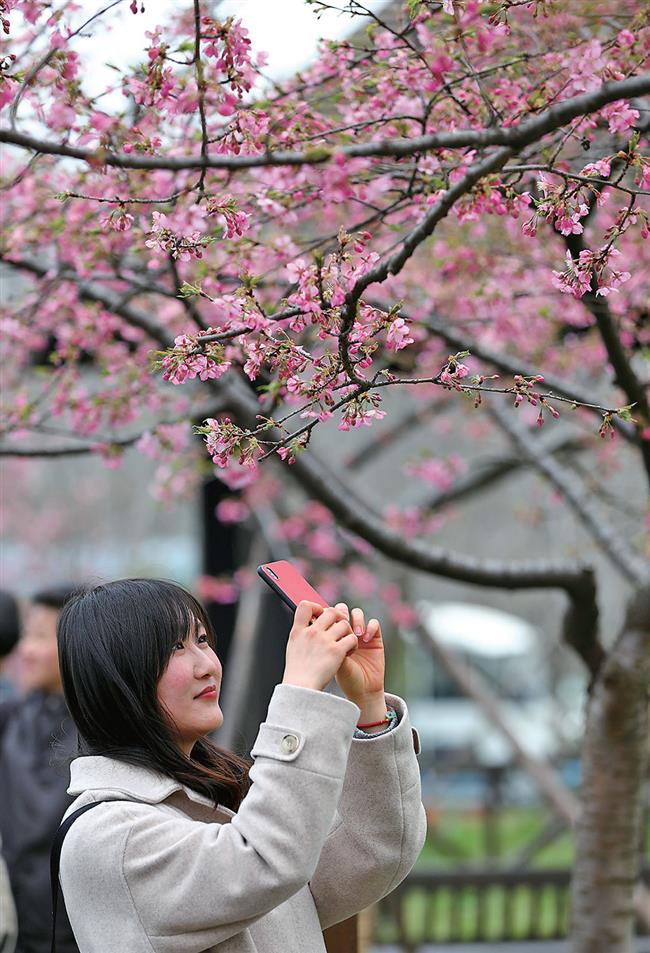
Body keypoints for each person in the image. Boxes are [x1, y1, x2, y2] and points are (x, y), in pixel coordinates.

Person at [55, 577, 426, 953]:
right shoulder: (108, 837)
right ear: (117, 676)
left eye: (201, 640)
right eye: (174, 647)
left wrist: (369, 708)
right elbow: (267, 862)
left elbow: (372, 852)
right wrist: (299, 692)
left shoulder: (215, 800)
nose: (206, 666)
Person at [0, 585, 80, 953]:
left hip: (74, 933)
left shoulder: (102, 732)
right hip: (19, 927)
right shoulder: (15, 717)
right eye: (25, 636)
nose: (25, 651)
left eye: (38, 637)